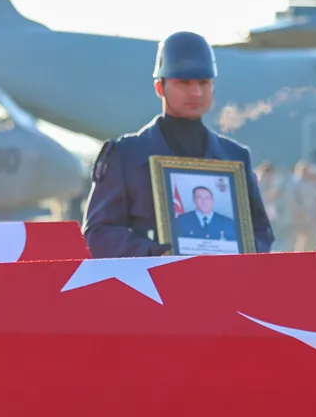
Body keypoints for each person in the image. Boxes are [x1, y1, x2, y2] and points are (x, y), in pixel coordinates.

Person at [82, 31, 273, 257]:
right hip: (150, 287)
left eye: (203, 82)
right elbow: (98, 233)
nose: (195, 92)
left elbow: (261, 231)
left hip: (224, 285)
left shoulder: (235, 157)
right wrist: (156, 255)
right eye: (183, 82)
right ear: (159, 88)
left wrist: (240, 251)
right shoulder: (125, 155)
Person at [172, 185, 237, 242]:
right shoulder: (181, 220)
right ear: (194, 200)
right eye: (199, 198)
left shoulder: (227, 222)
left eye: (207, 198)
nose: (204, 202)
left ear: (213, 201)